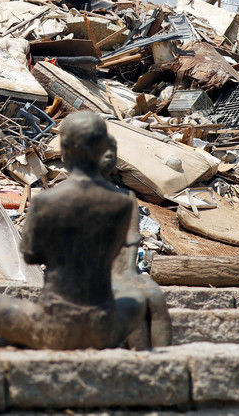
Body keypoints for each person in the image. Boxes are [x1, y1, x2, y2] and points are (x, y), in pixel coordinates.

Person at [0, 111, 142, 349]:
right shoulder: (125, 202)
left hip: (58, 324)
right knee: (135, 304)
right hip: (103, 325)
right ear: (104, 149)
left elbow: (30, 255)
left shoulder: (46, 201)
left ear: (66, 150)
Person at [103, 135, 171, 348]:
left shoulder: (52, 198)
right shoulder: (125, 200)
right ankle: (155, 365)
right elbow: (130, 250)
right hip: (108, 278)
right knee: (147, 300)